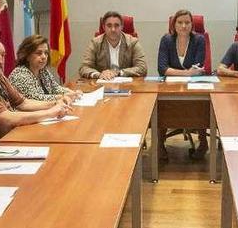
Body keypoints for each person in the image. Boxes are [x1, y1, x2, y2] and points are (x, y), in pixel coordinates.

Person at [157, 9, 208, 160]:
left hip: (194, 85)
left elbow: (197, 68)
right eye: (180, 22)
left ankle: (203, 142)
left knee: (200, 103)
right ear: (174, 25)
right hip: (170, 85)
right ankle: (160, 143)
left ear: (192, 24)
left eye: (187, 22)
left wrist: (177, 72)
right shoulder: (166, 40)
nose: (184, 26)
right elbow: (162, 68)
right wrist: (187, 73)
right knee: (162, 104)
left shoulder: (199, 40)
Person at [10, 34, 82, 103]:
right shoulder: (19, 75)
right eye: (39, 53)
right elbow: (36, 99)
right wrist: (62, 97)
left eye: (46, 53)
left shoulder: (43, 71)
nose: (44, 57)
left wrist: (72, 93)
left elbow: (56, 88)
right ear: (27, 55)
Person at [79, 11, 148, 80]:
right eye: (109, 25)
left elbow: (142, 68)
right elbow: (84, 67)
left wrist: (118, 73)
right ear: (103, 27)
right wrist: (99, 75)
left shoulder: (133, 42)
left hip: (127, 85)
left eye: (116, 25)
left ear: (122, 27)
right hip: (102, 84)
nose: (113, 29)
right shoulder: (95, 43)